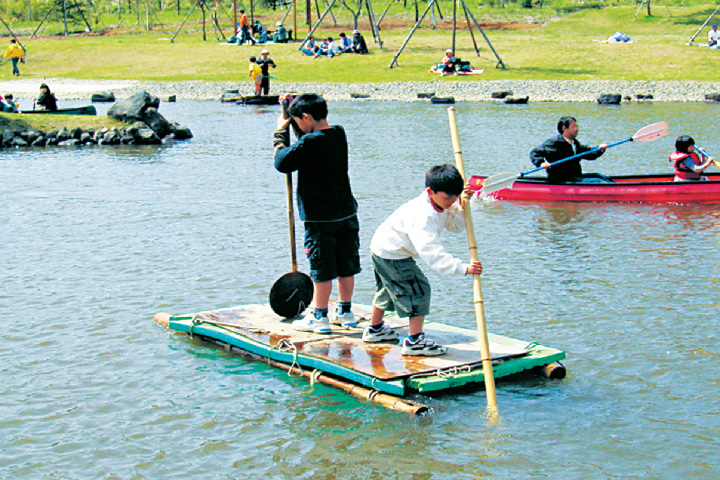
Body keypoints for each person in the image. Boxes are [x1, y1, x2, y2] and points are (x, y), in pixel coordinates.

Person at [362, 164, 483, 356]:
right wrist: (462, 268)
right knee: (419, 290)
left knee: (387, 289)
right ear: (430, 191)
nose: (451, 201)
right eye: (447, 197)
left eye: (455, 196)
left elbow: (456, 226)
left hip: (383, 247)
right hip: (392, 253)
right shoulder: (423, 215)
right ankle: (415, 341)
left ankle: (375, 329)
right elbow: (432, 254)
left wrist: (463, 204)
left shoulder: (441, 203)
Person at [273, 93, 361, 333]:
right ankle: (346, 312)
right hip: (346, 214)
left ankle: (320, 317)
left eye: (298, 120)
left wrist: (280, 133)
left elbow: (282, 162)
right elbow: (306, 137)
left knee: (321, 269)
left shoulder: (310, 144)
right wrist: (290, 114)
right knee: (346, 266)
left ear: (307, 116)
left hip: (320, 218)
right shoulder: (338, 133)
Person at [529, 116, 609, 183]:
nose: (577, 129)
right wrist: (541, 163)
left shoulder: (575, 143)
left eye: (577, 127)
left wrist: (600, 149)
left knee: (602, 177)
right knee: (598, 181)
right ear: (564, 128)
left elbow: (589, 154)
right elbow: (534, 152)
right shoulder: (554, 142)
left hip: (575, 177)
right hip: (561, 179)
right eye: (574, 127)